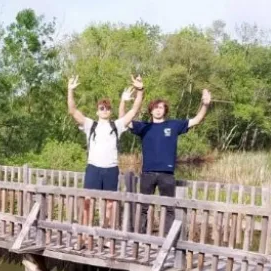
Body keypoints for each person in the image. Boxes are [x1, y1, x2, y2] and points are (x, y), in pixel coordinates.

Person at [121, 89, 212, 234]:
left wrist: (205, 105)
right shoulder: (144, 127)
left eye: (161, 107)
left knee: (169, 207)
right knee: (143, 206)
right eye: (155, 107)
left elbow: (197, 120)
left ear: (165, 110)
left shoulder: (173, 125)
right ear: (151, 111)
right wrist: (124, 102)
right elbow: (123, 120)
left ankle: (167, 238)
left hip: (167, 174)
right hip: (148, 173)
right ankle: (139, 236)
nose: (158, 110)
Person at [68, 75, 144, 230]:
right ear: (97, 111)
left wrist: (140, 90)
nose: (105, 110)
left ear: (111, 111)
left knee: (110, 204)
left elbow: (134, 110)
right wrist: (70, 90)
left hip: (111, 168)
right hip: (93, 168)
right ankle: (85, 234)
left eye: (107, 108)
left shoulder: (117, 125)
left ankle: (107, 234)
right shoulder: (91, 125)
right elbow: (72, 111)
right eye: (102, 108)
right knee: (88, 203)